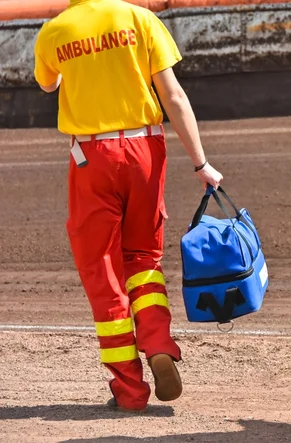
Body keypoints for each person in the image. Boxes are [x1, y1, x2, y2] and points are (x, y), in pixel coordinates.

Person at [33, 0, 223, 412]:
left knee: (102, 267)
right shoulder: (141, 19)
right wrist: (201, 163)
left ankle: (130, 390)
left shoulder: (55, 30)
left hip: (91, 157)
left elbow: (48, 85)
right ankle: (157, 342)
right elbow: (173, 95)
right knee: (143, 258)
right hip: (145, 149)